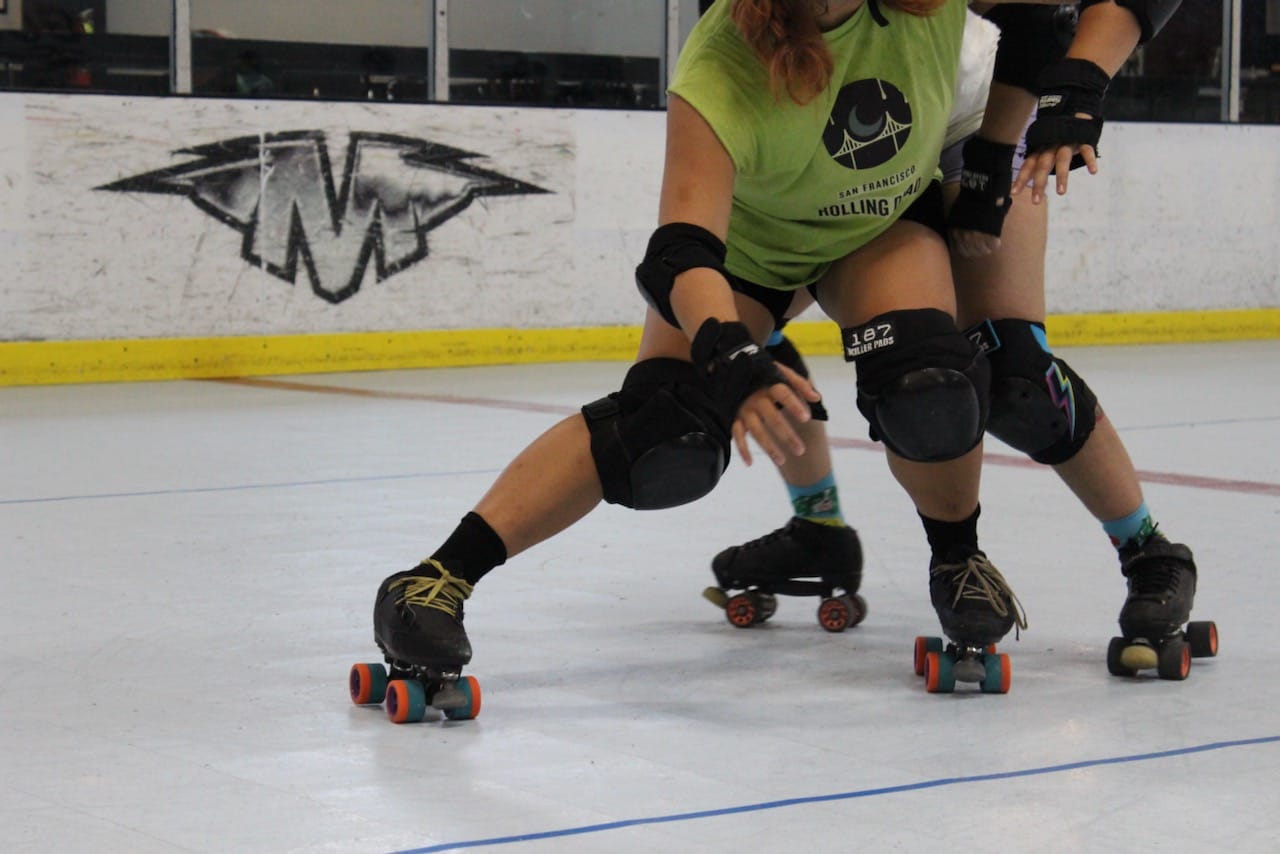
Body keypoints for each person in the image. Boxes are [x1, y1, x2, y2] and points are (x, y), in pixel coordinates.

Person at [368, 0, 1031, 705]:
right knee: (666, 434)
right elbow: (678, 251)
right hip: (748, 253)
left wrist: (1044, 119)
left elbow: (1041, 23)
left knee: (929, 384)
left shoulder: (924, 8)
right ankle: (433, 582)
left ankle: (959, 559)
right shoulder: (723, 61)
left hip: (881, 229)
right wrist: (728, 354)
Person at [709, 0, 1213, 680]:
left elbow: (1036, 23)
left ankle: (1151, 553)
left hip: (974, 110)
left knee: (1014, 375)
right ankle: (819, 524)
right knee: (732, 338)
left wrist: (1010, 142)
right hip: (848, 122)